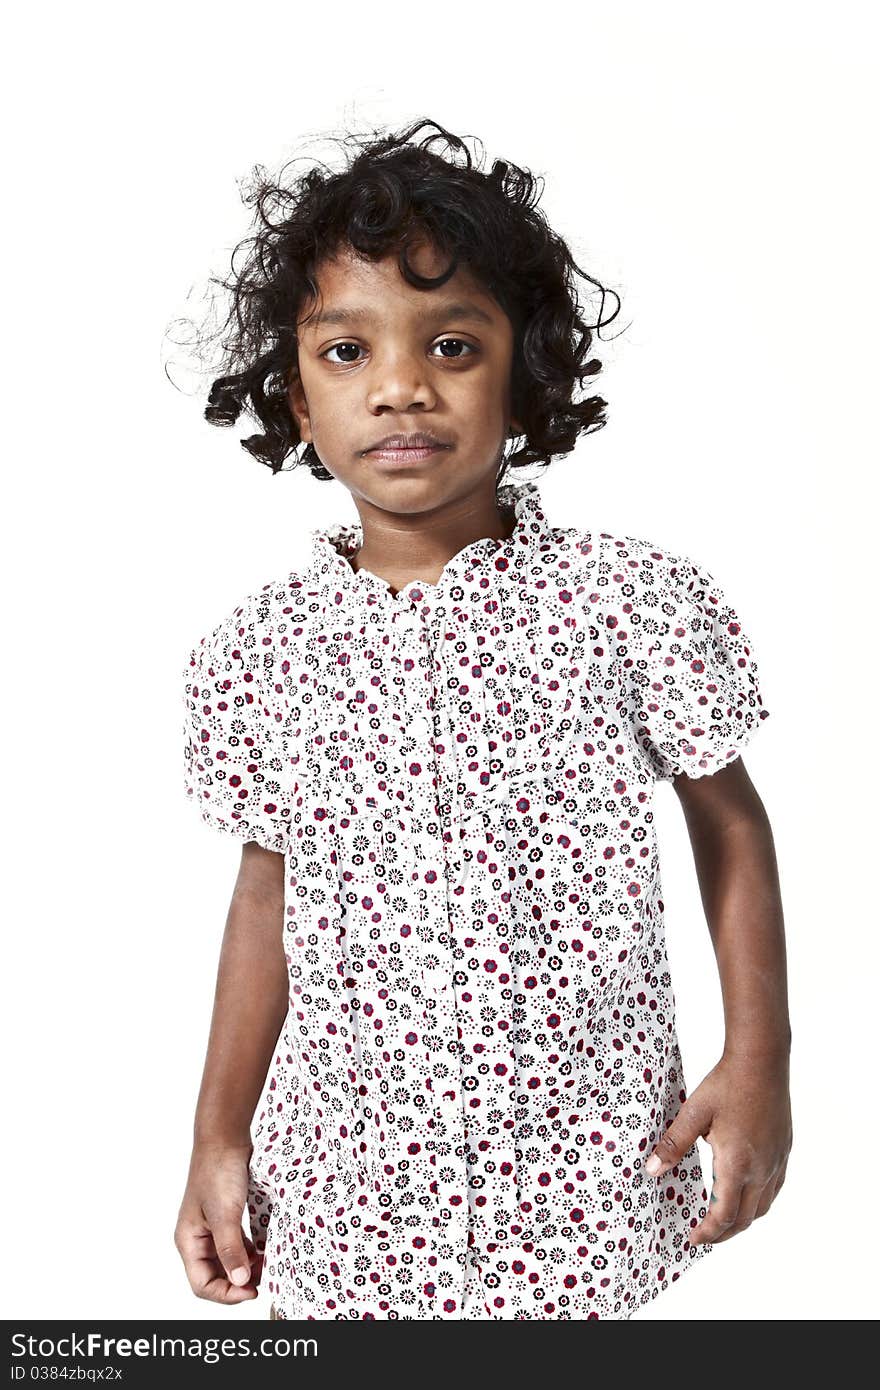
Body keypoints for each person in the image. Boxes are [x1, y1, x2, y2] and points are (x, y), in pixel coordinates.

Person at [173, 117, 791, 1321]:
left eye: (451, 344)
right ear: (297, 400)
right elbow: (267, 897)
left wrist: (759, 1058)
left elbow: (732, 827)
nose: (400, 384)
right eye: (346, 351)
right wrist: (216, 1135)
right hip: (354, 1204)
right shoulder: (255, 654)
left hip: (587, 1186)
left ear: (524, 375)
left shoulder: (630, 602)